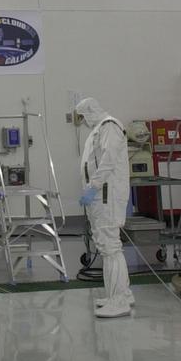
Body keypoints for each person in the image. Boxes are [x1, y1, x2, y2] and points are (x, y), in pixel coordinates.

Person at [75, 96, 133, 318]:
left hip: (105, 196)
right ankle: (122, 294)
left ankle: (118, 301)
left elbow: (108, 160)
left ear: (90, 111)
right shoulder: (100, 129)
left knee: (110, 247)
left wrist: (94, 186)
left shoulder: (110, 126)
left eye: (82, 116)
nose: (82, 121)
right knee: (109, 246)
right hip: (100, 196)